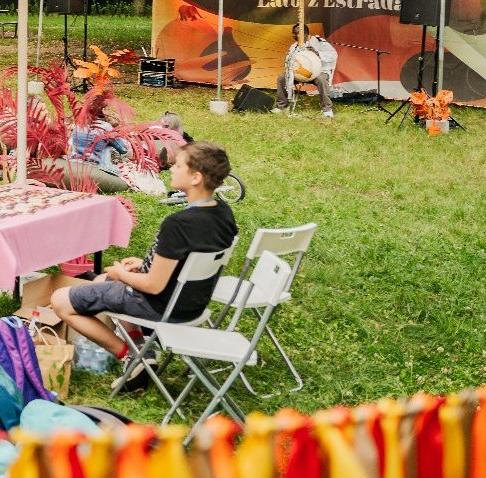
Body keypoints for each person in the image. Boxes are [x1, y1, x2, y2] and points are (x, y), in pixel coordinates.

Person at [52, 142, 239, 379]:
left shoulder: (179, 224)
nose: (171, 168)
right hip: (192, 303)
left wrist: (122, 274)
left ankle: (131, 356)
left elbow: (153, 286)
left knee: (61, 300)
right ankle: (143, 350)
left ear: (196, 178)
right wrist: (146, 262)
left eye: (179, 165)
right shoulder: (223, 213)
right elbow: (191, 257)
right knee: (103, 279)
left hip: (160, 307)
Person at [275, 23, 337, 117]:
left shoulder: (319, 41)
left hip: (319, 72)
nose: (294, 36)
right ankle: (282, 106)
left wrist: (317, 53)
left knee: (321, 79)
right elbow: (290, 62)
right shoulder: (294, 46)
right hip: (301, 74)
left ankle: (327, 109)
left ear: (306, 34)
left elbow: (333, 55)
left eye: (297, 33)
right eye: (293, 33)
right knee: (282, 77)